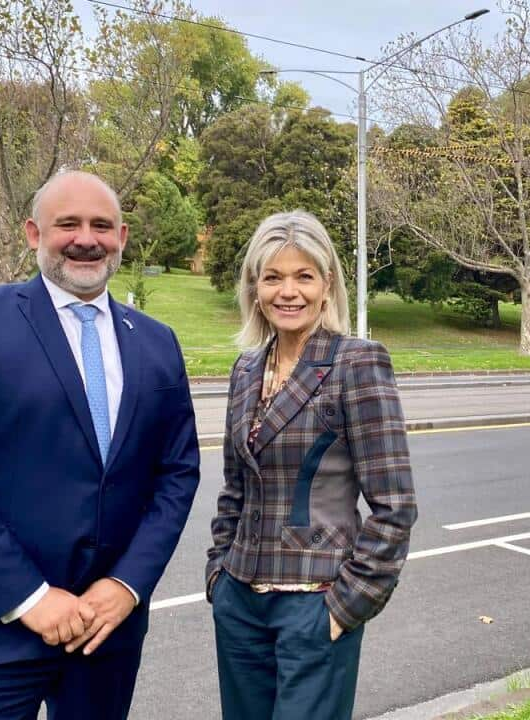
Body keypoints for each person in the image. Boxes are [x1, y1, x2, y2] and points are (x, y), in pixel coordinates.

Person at [0, 170, 200, 720]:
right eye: (68, 223)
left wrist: (128, 585)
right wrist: (30, 597)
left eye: (101, 225)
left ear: (122, 237)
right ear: (34, 233)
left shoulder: (157, 341)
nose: (86, 238)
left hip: (105, 633)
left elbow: (177, 474)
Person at [205, 210, 418, 720]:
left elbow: (395, 506)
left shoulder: (356, 363)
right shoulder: (247, 369)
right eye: (273, 277)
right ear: (254, 287)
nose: (288, 291)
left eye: (304, 276)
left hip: (315, 605)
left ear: (327, 285)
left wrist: (347, 606)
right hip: (240, 604)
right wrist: (218, 574)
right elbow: (236, 488)